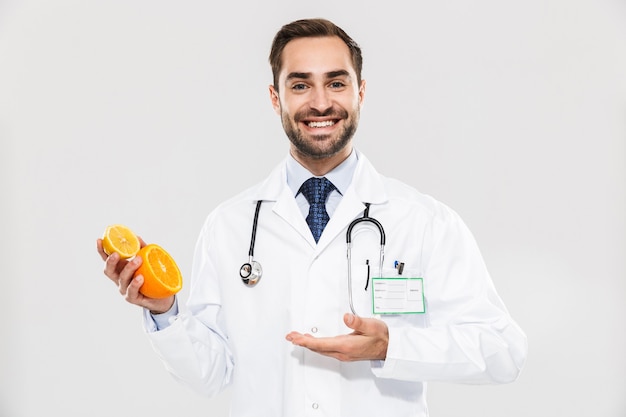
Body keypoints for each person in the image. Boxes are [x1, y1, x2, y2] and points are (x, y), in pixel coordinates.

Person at [97, 18, 527, 417]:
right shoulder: (229, 226)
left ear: (360, 92)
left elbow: (502, 351)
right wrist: (164, 310)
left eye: (336, 83)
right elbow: (211, 374)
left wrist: (391, 346)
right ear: (275, 97)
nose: (321, 103)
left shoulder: (424, 221)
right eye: (300, 85)